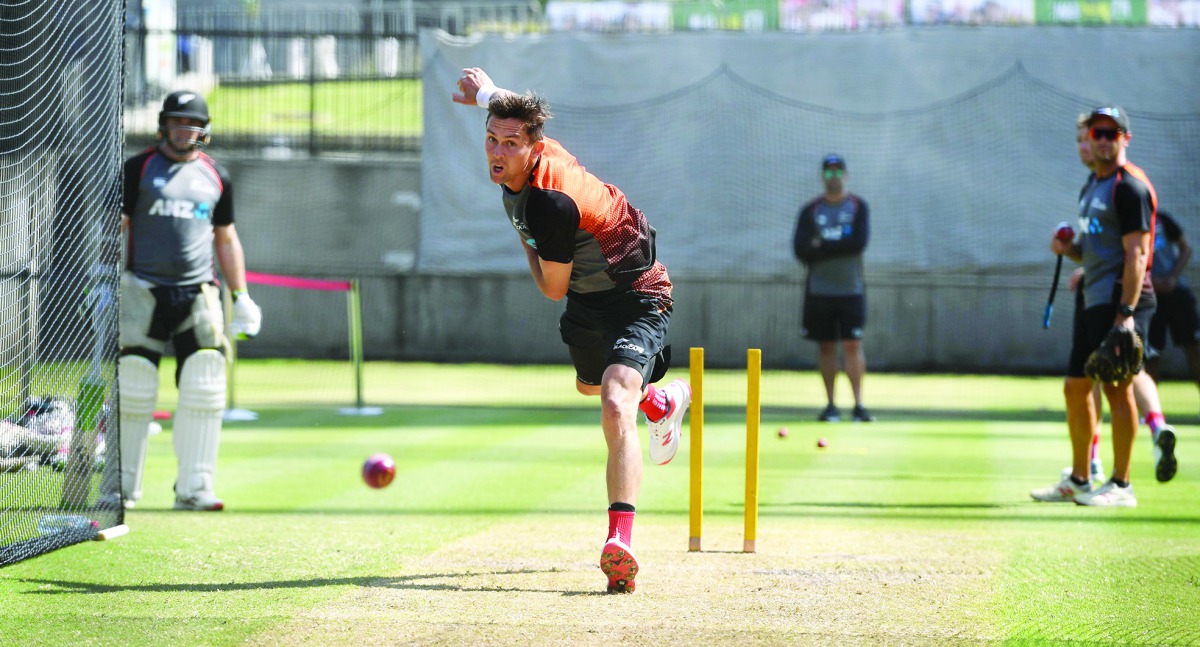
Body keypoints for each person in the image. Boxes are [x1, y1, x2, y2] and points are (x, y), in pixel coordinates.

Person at [452, 68, 691, 594]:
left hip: (637, 292)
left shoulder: (548, 205)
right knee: (592, 387)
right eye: (491, 139)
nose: (497, 151)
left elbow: (551, 288)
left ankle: (620, 541)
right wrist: (485, 93)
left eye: (510, 144)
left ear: (534, 149)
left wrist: (527, 241)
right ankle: (662, 403)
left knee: (613, 400)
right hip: (589, 298)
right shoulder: (529, 146)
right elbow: (517, 114)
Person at [119, 90, 262, 511]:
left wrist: (241, 296)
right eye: (177, 122)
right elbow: (115, 227)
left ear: (204, 130)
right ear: (163, 125)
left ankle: (195, 487)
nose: (185, 130)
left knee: (206, 378)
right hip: (142, 289)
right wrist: (102, 280)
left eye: (193, 123)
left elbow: (226, 238)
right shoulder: (138, 168)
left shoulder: (216, 176)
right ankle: (121, 487)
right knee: (133, 381)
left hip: (199, 292)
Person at [1032, 106, 1158, 507]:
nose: (1102, 140)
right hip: (1092, 300)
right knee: (1075, 387)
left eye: (1110, 133)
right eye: (1096, 133)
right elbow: (1089, 252)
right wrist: (1067, 248)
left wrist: (1126, 315)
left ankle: (1121, 485)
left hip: (1118, 301)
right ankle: (1080, 478)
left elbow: (1137, 254)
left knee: (1118, 390)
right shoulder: (1092, 185)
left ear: (1125, 138)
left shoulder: (1129, 188)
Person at [793, 154, 874, 423]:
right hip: (819, 291)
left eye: (838, 172)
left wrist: (822, 245)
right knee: (826, 347)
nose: (834, 177)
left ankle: (859, 405)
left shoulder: (858, 207)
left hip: (851, 289)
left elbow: (858, 243)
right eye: (829, 173)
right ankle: (830, 405)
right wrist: (837, 243)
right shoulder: (811, 211)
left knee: (852, 344)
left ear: (845, 175)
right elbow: (801, 249)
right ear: (823, 177)